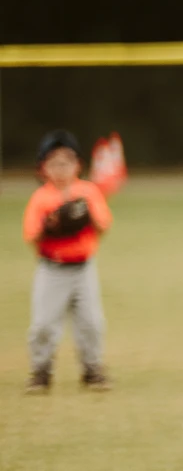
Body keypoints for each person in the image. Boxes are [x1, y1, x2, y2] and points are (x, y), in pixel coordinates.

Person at [21, 130, 112, 392]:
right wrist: (51, 226)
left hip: (84, 269)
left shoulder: (88, 192)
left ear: (78, 165)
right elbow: (32, 236)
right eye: (54, 163)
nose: (61, 168)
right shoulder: (41, 199)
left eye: (67, 161)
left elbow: (103, 225)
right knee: (43, 324)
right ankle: (40, 372)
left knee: (92, 323)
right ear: (43, 169)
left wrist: (86, 218)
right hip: (52, 270)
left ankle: (93, 370)